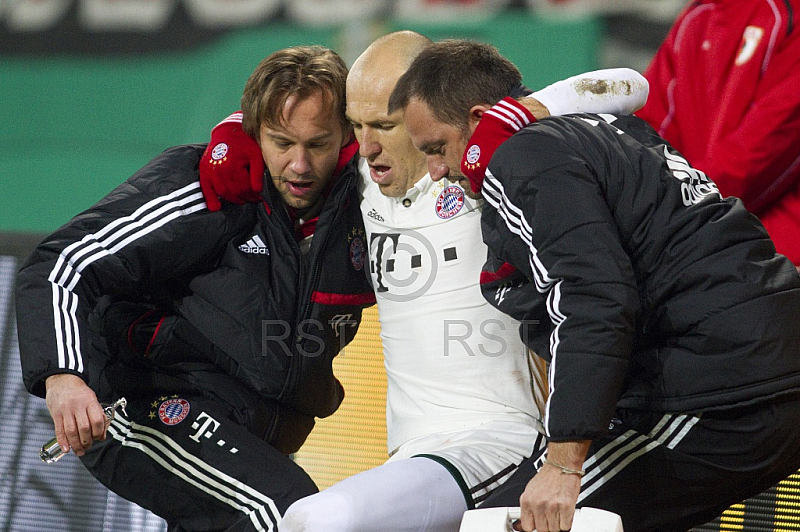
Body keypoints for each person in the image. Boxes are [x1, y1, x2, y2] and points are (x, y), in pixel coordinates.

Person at [199, 32, 649, 532]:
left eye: (385, 125)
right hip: (413, 461)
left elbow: (630, 85)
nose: (365, 145)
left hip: (498, 442)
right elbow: (293, 127)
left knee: (318, 520)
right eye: (355, 125)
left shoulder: (489, 164)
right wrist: (235, 129)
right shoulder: (362, 181)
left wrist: (520, 114)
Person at [387, 39, 800, 532]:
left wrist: (563, 464)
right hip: (766, 359)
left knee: (505, 524)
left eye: (436, 148)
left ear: (481, 119)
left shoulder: (520, 156)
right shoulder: (612, 128)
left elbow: (590, 300)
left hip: (724, 389)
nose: (436, 170)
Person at [15, 45, 375, 532]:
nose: (299, 165)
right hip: (135, 401)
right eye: (281, 142)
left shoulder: (367, 206)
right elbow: (59, 261)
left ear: (347, 138)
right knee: (289, 513)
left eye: (318, 144)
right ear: (253, 132)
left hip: (254, 426)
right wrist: (62, 379)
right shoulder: (202, 187)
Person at [635, 0, 800, 270]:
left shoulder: (788, 17)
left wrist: (656, 216)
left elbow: (751, 165)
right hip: (706, 245)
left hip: (778, 260)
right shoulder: (698, 15)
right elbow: (646, 133)